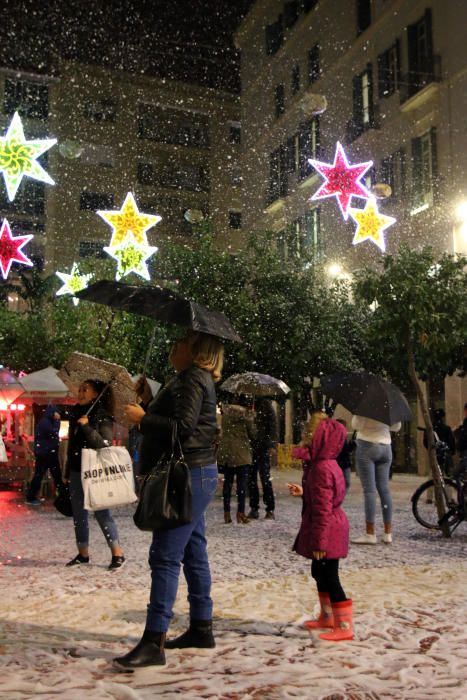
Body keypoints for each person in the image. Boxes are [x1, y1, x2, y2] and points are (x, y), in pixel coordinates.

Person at [114, 331, 224, 670]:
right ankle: (201, 627)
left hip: (186, 476)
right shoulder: (191, 378)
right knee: (193, 551)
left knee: (164, 556)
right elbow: (181, 420)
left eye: (177, 343)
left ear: (193, 351)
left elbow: (182, 428)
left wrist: (142, 419)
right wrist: (150, 400)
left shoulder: (192, 378)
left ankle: (153, 642)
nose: (171, 348)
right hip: (197, 472)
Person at [288, 418, 353, 642]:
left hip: (328, 531)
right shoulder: (324, 464)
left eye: (310, 434)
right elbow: (324, 498)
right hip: (330, 527)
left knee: (330, 577)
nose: (306, 437)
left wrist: (320, 544)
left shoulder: (322, 468)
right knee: (319, 573)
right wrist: (305, 493)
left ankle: (344, 625)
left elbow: (323, 510)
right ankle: (327, 616)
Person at [65, 379, 125, 570]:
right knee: (78, 515)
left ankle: (117, 553)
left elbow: (103, 444)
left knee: (101, 512)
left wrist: (87, 426)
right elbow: (72, 446)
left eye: (85, 390)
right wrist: (67, 470)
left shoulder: (101, 415)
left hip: (94, 471)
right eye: (80, 389)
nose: (80, 392)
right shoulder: (76, 413)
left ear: (96, 394)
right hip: (76, 470)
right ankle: (83, 554)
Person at [351, 414, 401, 545]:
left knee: (369, 491)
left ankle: (370, 533)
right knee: (384, 490)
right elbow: (396, 427)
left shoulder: (365, 405)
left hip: (367, 445)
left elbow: (356, 425)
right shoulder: (389, 404)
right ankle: (387, 533)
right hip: (386, 447)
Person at [218, 395, 256, 524]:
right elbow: (253, 434)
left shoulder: (226, 414)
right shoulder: (246, 415)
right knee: (241, 485)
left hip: (227, 451)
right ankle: (240, 513)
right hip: (241, 452)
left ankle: (226, 513)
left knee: (227, 483)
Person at [26, 405, 64, 506]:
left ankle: (31, 496)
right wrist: (57, 421)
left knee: (44, 475)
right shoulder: (46, 422)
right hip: (47, 453)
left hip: (46, 453)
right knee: (53, 475)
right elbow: (54, 432)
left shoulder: (44, 421)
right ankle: (63, 496)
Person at [248, 397, 278, 520]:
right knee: (251, 479)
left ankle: (270, 508)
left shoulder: (266, 404)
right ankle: (254, 508)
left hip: (262, 445)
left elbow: (272, 425)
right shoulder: (248, 404)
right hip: (251, 446)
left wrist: (271, 444)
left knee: (265, 477)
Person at [335, 418, 355, 494]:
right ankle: (338, 496)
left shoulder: (344, 436)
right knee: (342, 482)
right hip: (339, 463)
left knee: (346, 482)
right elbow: (344, 450)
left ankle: (340, 495)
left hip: (345, 463)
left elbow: (346, 449)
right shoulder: (335, 437)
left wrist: (351, 445)